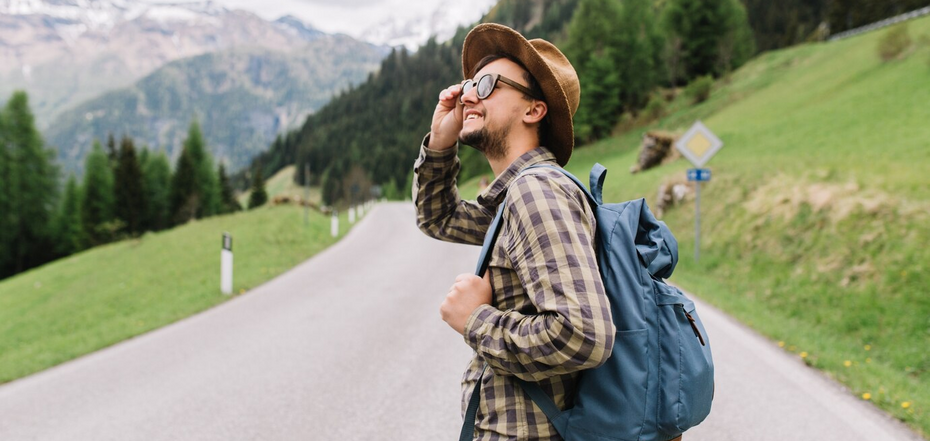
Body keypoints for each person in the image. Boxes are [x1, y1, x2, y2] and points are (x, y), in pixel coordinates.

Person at [412, 23, 615, 440]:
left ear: (533, 110)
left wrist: (475, 320)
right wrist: (440, 141)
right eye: (469, 83)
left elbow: (583, 335)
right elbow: (439, 217)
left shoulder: (535, 192)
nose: (468, 94)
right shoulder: (515, 197)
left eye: (487, 84)